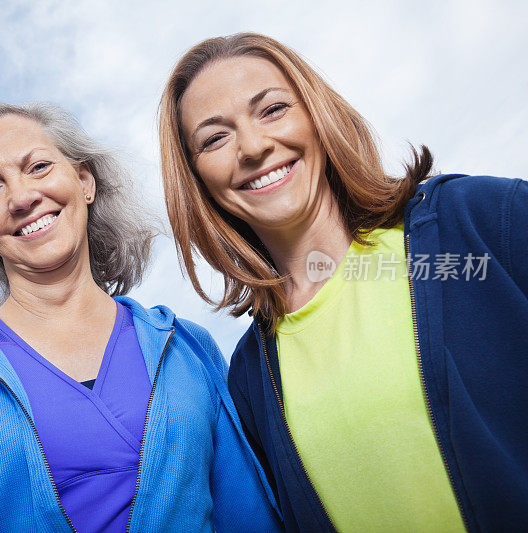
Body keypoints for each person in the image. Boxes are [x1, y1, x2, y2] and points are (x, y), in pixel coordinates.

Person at [159, 32, 528, 532]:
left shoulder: (477, 224)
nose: (253, 146)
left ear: (316, 114)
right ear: (197, 178)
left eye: (272, 110)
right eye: (215, 138)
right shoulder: (249, 377)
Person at [0, 102, 281, 532]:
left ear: (85, 181)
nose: (22, 197)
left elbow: (250, 520)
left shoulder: (187, 348)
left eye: (39, 167)